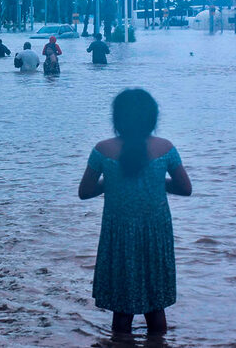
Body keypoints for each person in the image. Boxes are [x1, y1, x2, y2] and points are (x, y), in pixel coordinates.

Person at [78, 89, 192, 335]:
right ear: (152, 118)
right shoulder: (165, 148)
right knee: (156, 308)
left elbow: (85, 191)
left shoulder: (102, 150)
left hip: (119, 238)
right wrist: (159, 181)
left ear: (117, 118)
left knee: (121, 311)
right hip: (155, 235)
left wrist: (109, 182)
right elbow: (185, 188)